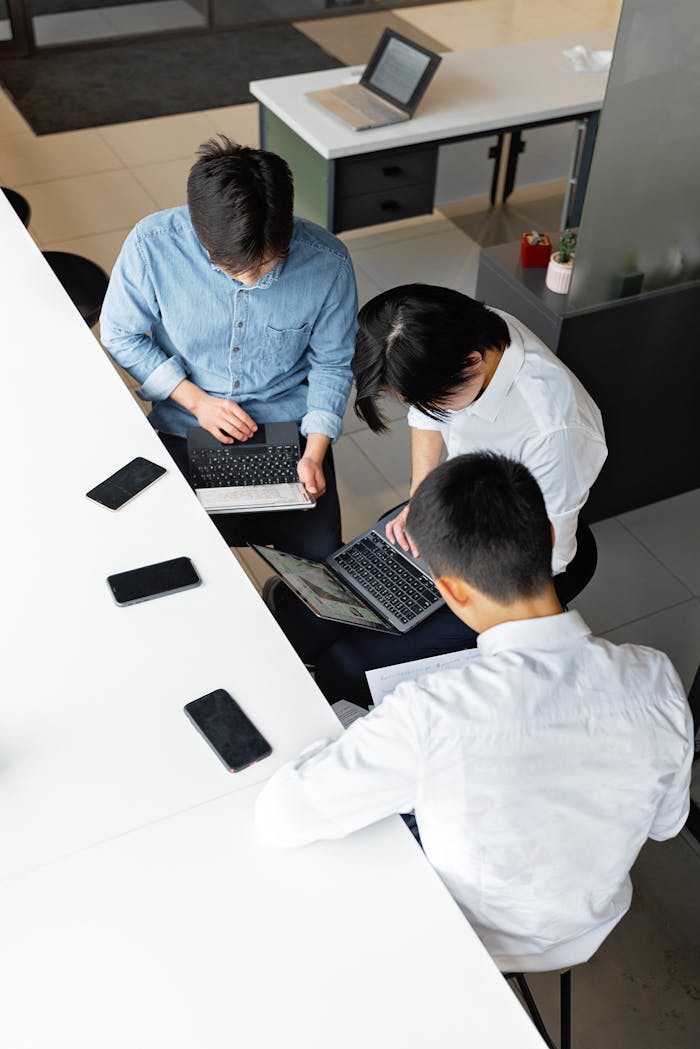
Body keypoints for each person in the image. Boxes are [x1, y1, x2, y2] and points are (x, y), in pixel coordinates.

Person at [256, 453, 693, 974]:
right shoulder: (658, 679)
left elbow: (282, 816)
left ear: (450, 589)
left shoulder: (430, 711)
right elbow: (667, 824)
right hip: (587, 927)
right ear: (551, 540)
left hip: (460, 934)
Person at [266, 283, 607, 703]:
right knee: (304, 615)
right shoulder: (464, 333)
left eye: (434, 402)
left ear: (471, 363)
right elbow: (427, 416)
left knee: (349, 667)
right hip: (456, 501)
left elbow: (553, 556)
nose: (426, 412)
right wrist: (421, 498)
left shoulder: (554, 429)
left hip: (512, 565)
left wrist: (454, 578)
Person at [100, 136, 357, 560]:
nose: (253, 281)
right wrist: (198, 401)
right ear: (200, 233)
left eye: (268, 266)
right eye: (232, 270)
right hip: (185, 422)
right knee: (167, 555)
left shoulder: (328, 262)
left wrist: (314, 453)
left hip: (288, 429)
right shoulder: (153, 244)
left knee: (322, 561)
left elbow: (332, 363)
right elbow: (120, 334)